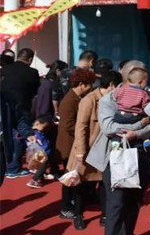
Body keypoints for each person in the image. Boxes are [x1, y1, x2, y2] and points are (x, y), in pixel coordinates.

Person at [86, 62, 150, 235]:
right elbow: (108, 128)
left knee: (134, 200)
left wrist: (137, 133)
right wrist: (139, 125)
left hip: (142, 152)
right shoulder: (110, 99)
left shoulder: (148, 95)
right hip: (115, 154)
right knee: (116, 202)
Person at [69, 69, 123, 228]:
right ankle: (78, 214)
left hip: (106, 149)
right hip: (88, 149)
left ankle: (105, 214)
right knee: (82, 184)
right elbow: (81, 127)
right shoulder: (90, 100)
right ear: (112, 84)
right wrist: (80, 150)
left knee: (105, 184)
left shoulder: (114, 100)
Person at [57, 68, 97, 230]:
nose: (91, 87)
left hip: (72, 143)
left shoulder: (75, 98)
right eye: (89, 84)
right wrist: (85, 131)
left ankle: (71, 204)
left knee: (73, 177)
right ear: (81, 84)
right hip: (69, 145)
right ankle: (66, 207)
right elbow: (68, 125)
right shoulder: (70, 101)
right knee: (70, 178)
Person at [1, 48, 41, 178]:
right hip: (22, 107)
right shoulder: (32, 72)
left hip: (8, 109)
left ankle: (11, 167)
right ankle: (13, 167)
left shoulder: (5, 70)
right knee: (18, 138)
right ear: (30, 59)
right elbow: (34, 92)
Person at [53, 51, 97, 115]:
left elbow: (55, 94)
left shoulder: (63, 72)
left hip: (63, 108)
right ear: (92, 61)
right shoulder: (85, 76)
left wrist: (56, 111)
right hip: (79, 110)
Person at [26, 115, 56, 188]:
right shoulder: (40, 134)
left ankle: (40, 178)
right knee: (42, 166)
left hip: (36, 152)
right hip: (43, 153)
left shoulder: (32, 133)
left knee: (38, 166)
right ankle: (34, 180)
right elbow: (45, 145)